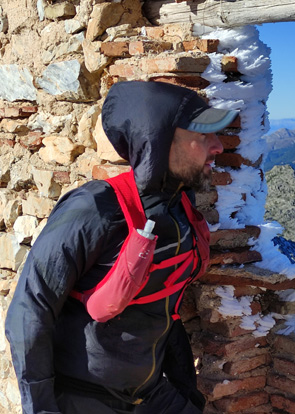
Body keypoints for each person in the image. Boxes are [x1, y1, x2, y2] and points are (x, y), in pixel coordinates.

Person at [5, 80, 238, 414]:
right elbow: (29, 310)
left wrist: (184, 389)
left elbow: (163, 306)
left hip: (152, 393)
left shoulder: (180, 207)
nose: (218, 146)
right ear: (160, 139)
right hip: (85, 399)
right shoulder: (95, 209)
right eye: (203, 135)